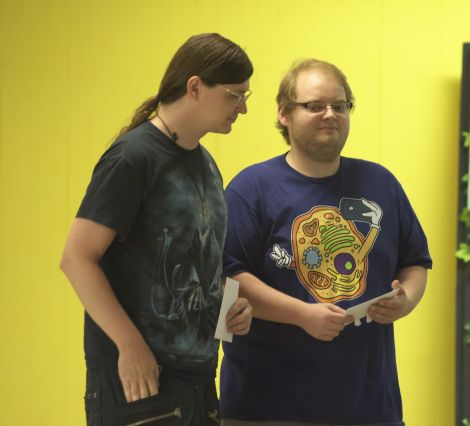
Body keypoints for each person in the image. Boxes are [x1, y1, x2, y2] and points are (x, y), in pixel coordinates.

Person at [220, 59, 433, 425]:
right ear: (284, 114)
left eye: (340, 105)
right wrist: (302, 315)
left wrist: (406, 300)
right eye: (314, 106)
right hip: (267, 408)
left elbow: (415, 261)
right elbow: (228, 278)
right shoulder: (251, 189)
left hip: (369, 407)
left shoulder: (380, 183)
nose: (330, 115)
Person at [60, 33, 254, 426]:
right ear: (195, 87)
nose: (243, 108)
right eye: (235, 95)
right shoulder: (133, 158)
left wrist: (232, 307)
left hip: (199, 382)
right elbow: (77, 259)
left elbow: (198, 266)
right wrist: (129, 344)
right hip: (139, 386)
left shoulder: (207, 166)